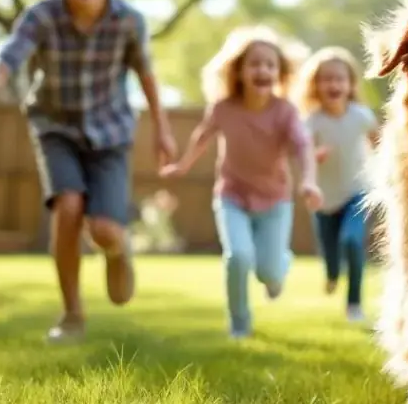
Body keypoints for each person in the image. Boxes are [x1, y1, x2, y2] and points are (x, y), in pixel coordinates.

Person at [0, 0, 176, 342]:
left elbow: (146, 75)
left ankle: (118, 248)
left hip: (110, 133)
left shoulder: (129, 20)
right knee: (67, 208)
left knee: (105, 228)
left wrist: (163, 129)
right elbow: (4, 65)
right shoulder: (41, 16)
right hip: (55, 129)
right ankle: (72, 314)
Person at [160, 26, 322, 338]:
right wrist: (181, 166)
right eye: (255, 64)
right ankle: (239, 322)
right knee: (238, 257)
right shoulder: (223, 108)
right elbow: (201, 137)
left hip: (275, 200)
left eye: (270, 65)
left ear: (279, 72)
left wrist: (310, 182)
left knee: (269, 272)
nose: (263, 70)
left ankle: (279, 267)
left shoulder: (285, 112)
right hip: (232, 196)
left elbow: (302, 146)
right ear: (239, 71)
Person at [294, 46, 379, 322]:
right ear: (315, 85)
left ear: (350, 84)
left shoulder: (361, 116)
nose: (333, 84)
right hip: (324, 200)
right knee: (331, 258)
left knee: (352, 242)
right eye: (327, 79)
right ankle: (331, 274)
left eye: (339, 79)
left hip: (357, 192)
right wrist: (313, 157)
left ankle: (354, 304)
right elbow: (301, 153)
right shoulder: (312, 122)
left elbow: (379, 143)